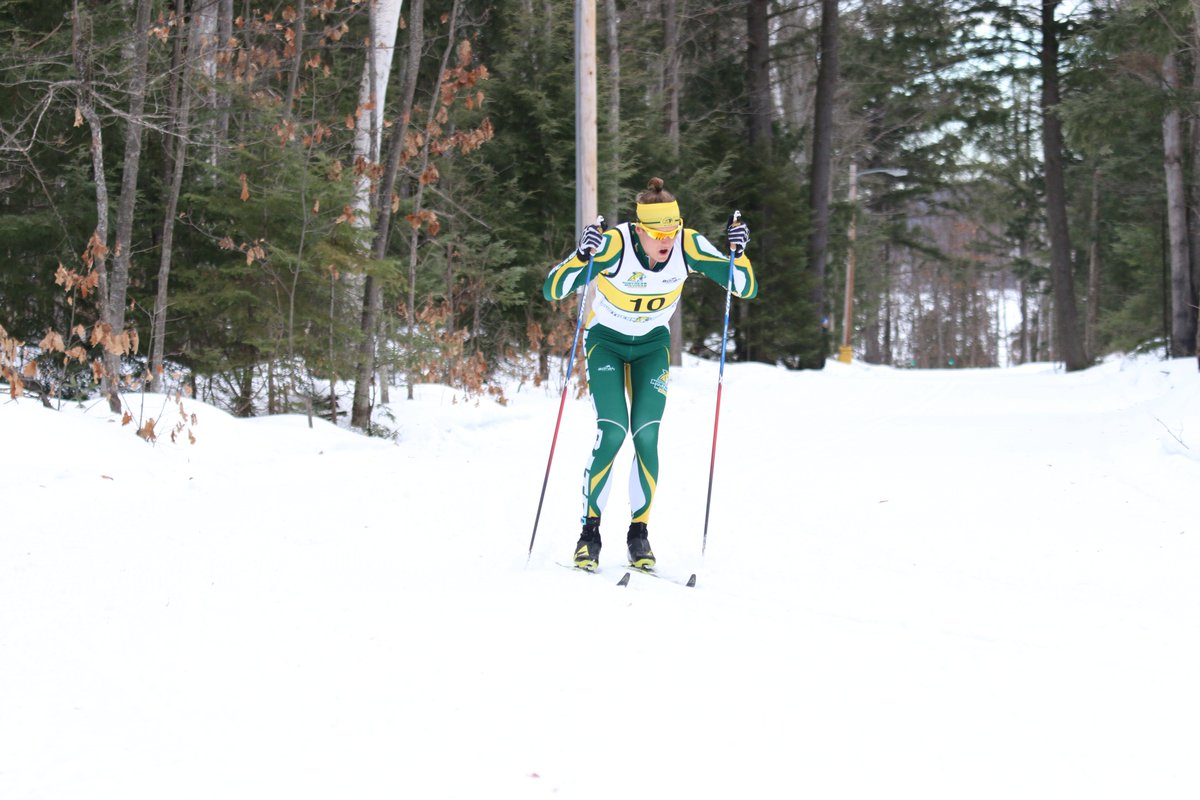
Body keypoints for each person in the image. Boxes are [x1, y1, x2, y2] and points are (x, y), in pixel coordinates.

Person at [542, 177, 756, 571]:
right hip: (605, 341)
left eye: (672, 230)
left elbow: (744, 287)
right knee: (612, 430)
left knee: (647, 433)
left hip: (651, 347)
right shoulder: (615, 246)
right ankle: (589, 532)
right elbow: (553, 289)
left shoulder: (687, 245)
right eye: (658, 233)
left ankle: (638, 533)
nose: (667, 241)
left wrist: (738, 253)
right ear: (639, 230)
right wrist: (581, 255)